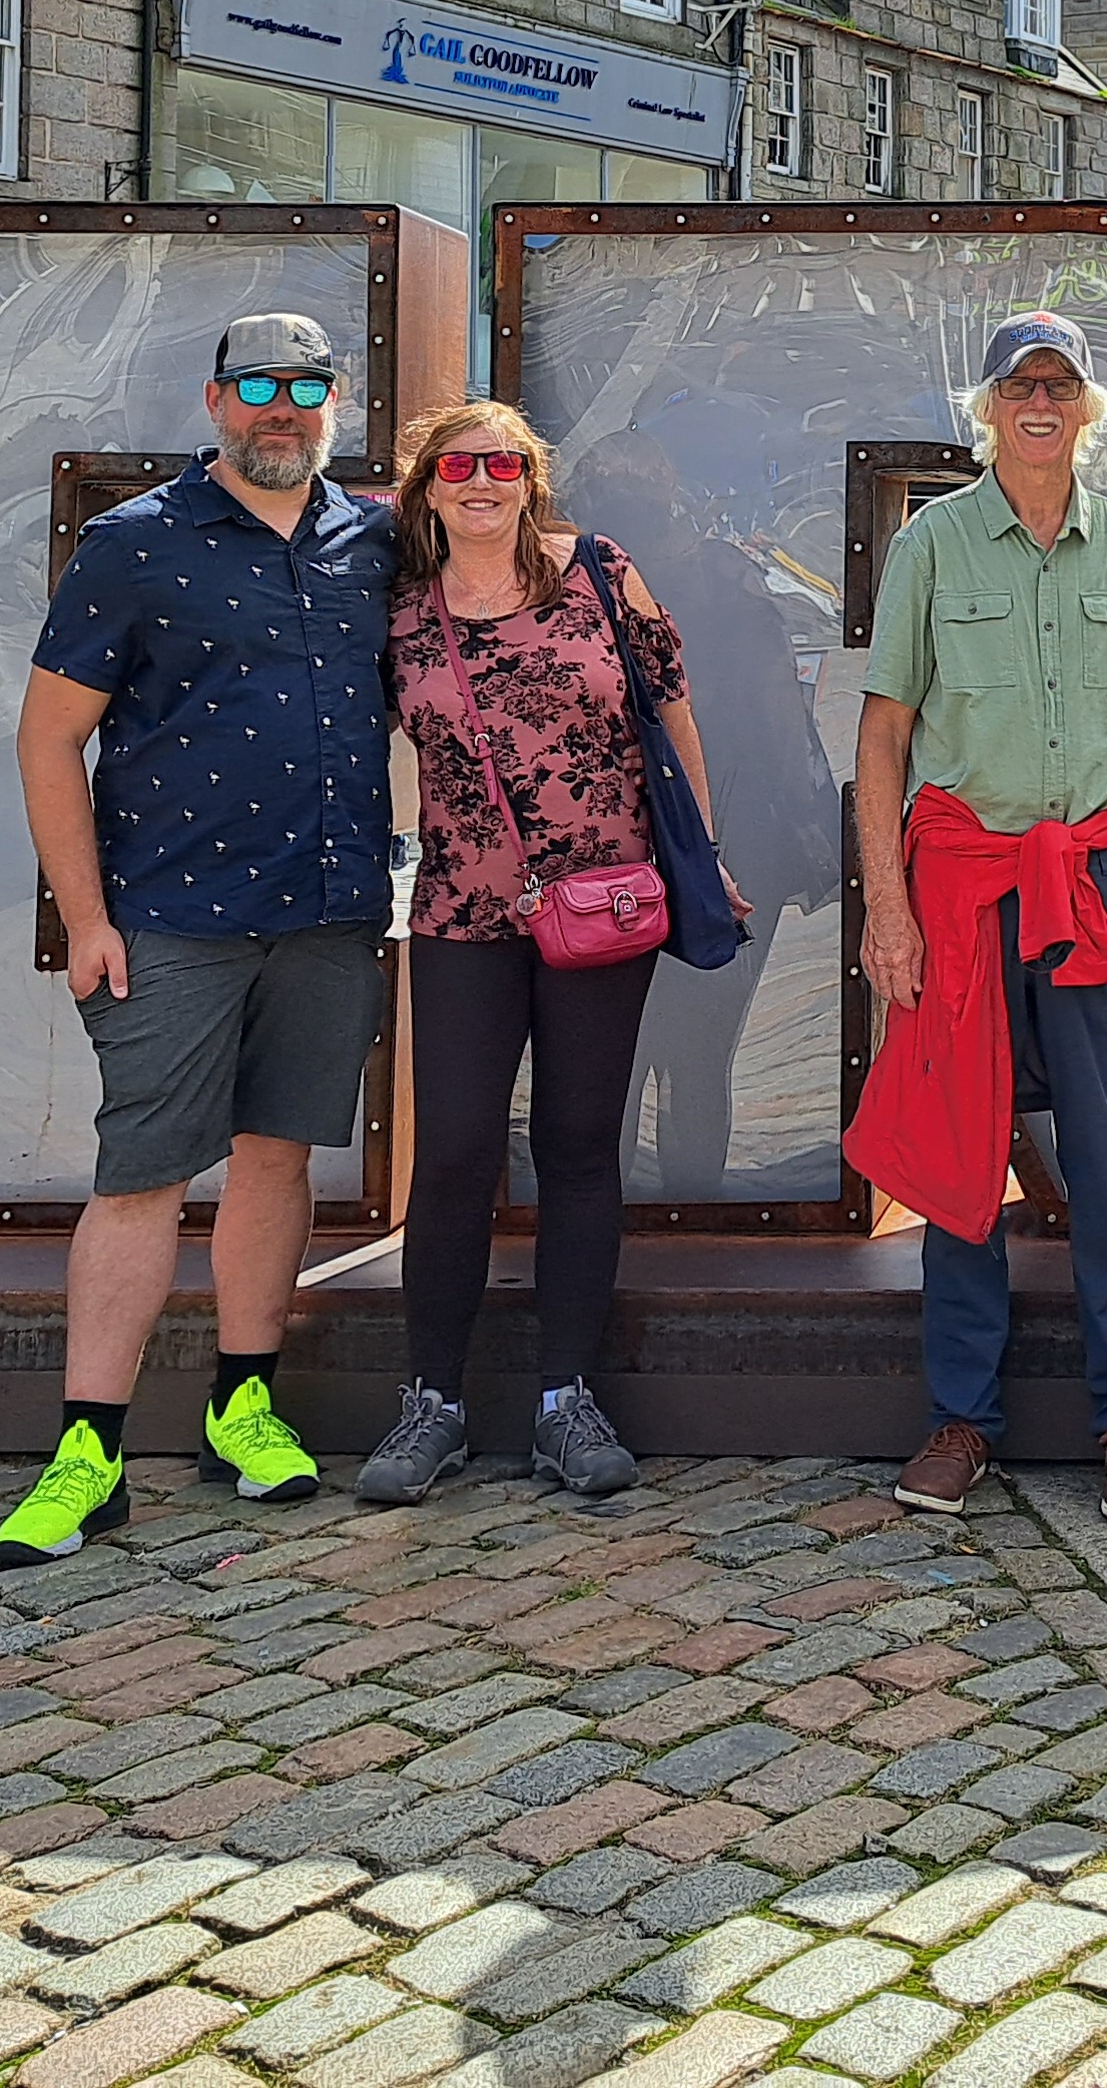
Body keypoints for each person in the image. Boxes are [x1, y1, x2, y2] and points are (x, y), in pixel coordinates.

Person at [0, 312, 390, 1565]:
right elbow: (49, 738)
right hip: (168, 916)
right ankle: (88, 1450)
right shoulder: (135, 545)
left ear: (336, 402)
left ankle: (242, 1404)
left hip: (328, 914)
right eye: (260, 387)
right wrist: (85, 918)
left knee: (277, 1161)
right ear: (216, 400)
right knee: (141, 1177)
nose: (285, 408)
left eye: (308, 388)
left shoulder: (376, 540)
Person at [355, 401, 739, 1508]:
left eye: (504, 463)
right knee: (460, 1151)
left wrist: (699, 859)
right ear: (427, 484)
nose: (482, 481)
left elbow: (673, 717)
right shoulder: (396, 605)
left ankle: (567, 1400)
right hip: (463, 909)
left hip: (604, 902)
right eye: (459, 465)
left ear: (534, 478)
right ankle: (432, 1400)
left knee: (578, 1143)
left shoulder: (602, 573)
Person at [858, 311, 1107, 1522]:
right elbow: (885, 732)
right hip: (958, 884)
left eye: (1061, 385)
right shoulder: (934, 545)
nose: (1040, 404)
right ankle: (960, 1418)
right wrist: (886, 910)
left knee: (1106, 1163)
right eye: (1020, 386)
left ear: (1086, 408)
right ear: (988, 408)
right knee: (959, 1163)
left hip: (1092, 881)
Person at [569, 427, 848, 1200]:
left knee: (612, 1060)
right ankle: (688, 1221)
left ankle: (614, 1230)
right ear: (674, 498)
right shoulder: (726, 582)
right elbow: (779, 727)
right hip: (733, 847)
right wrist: (812, 834)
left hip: (606, 854)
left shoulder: (564, 581)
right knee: (697, 1061)